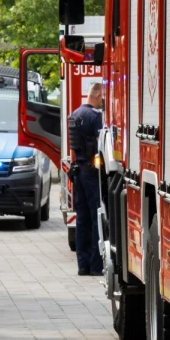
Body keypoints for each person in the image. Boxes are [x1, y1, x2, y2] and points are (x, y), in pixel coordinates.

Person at [68, 81, 104, 276]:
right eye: (102, 99)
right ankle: (96, 266)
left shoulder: (74, 115)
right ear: (97, 95)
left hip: (78, 171)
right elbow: (101, 144)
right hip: (91, 172)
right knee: (96, 216)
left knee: (81, 219)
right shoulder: (94, 116)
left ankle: (82, 265)